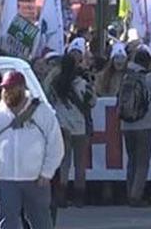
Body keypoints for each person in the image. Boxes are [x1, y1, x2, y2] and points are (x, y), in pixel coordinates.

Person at [0, 71, 64, 229]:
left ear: (22, 88)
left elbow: (55, 145)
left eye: (11, 88)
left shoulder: (42, 111)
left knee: (41, 222)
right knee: (7, 222)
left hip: (36, 179)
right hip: (5, 179)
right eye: (5, 89)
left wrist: (47, 173)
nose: (7, 92)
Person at [47, 53, 96, 207]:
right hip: (80, 126)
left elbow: (49, 99)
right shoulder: (82, 84)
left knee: (64, 162)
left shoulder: (55, 83)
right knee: (80, 164)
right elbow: (92, 101)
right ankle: (79, 197)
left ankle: (61, 196)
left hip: (62, 126)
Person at [119, 48, 151, 206]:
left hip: (126, 124)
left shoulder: (126, 76)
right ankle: (136, 195)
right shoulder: (149, 78)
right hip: (144, 123)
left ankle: (128, 192)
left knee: (131, 160)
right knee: (142, 162)